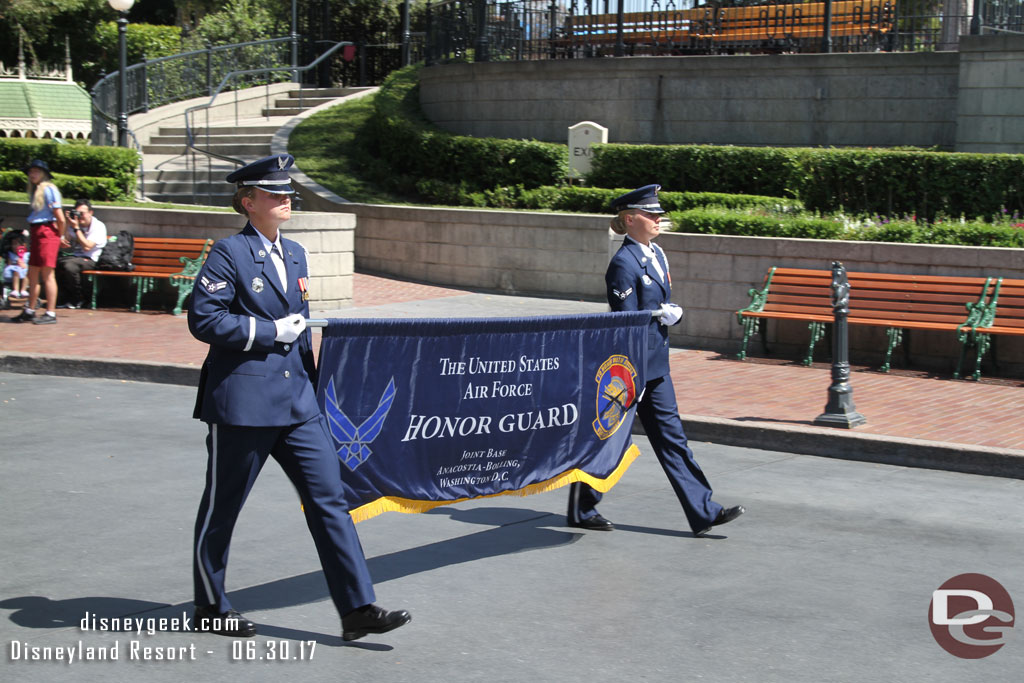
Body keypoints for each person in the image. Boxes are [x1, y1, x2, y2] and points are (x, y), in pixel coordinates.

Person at [188, 154, 410, 641]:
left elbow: (302, 330)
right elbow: (204, 320)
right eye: (274, 194)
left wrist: (313, 388)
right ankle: (209, 604)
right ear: (248, 203)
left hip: (298, 403)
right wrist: (267, 331)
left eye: (288, 192)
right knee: (224, 506)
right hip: (244, 403)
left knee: (330, 500)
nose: (286, 199)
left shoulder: (296, 255)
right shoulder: (229, 253)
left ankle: (357, 607)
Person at [567, 184, 745, 536]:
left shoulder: (657, 255)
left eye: (658, 214)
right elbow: (624, 321)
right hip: (628, 369)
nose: (658, 219)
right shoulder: (623, 263)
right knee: (608, 439)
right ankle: (581, 507)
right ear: (630, 220)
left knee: (672, 438)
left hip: (656, 366)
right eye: (650, 214)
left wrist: (667, 314)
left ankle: (704, 511)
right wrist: (657, 315)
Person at [11, 159, 65, 324]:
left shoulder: (49, 190)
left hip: (47, 232)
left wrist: (61, 236)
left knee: (47, 274)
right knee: (32, 273)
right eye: (30, 172)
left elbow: (60, 218)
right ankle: (30, 309)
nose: (32, 174)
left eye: (35, 171)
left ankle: (51, 312)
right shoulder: (37, 191)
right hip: (37, 231)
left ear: (43, 174)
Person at [56, 199, 107, 309]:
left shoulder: (98, 226)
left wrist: (76, 228)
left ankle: (78, 298)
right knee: (55, 262)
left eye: (82, 214)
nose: (80, 217)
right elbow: (65, 242)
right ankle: (62, 297)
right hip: (76, 257)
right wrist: (67, 223)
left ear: (90, 213)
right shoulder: (74, 224)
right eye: (77, 213)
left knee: (70, 266)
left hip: (92, 259)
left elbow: (87, 246)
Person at [4, 230, 29, 298]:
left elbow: (28, 264)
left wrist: (24, 264)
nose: (14, 246)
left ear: (23, 245)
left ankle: (24, 290)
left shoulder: (26, 255)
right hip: (13, 272)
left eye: (16, 244)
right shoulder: (10, 254)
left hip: (24, 271)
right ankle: (16, 290)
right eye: (13, 244)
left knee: (28, 273)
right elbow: (9, 264)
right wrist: (15, 263)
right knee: (16, 272)